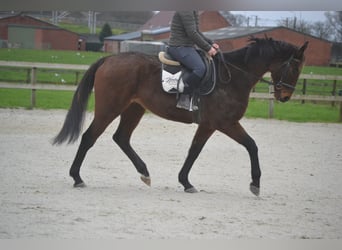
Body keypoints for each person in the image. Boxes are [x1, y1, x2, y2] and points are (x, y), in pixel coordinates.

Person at [167, 11, 220, 95]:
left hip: (187, 47)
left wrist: (210, 43)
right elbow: (192, 33)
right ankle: (184, 97)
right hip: (179, 47)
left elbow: (197, 31)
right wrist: (208, 48)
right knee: (200, 68)